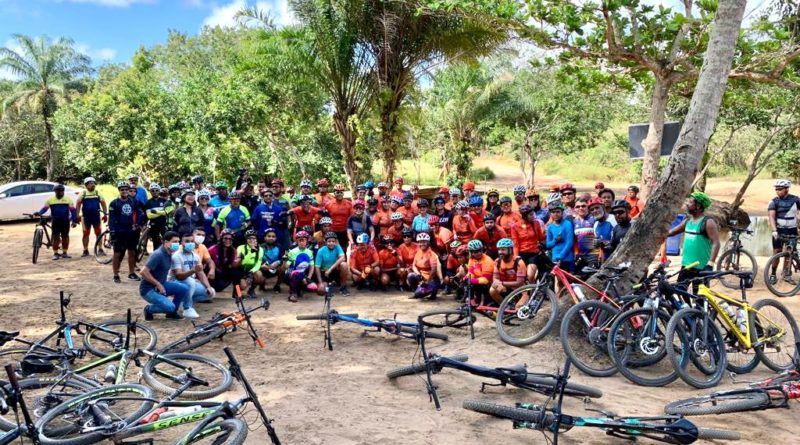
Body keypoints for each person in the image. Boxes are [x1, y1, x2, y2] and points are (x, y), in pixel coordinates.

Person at [667, 192, 720, 290]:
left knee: (700, 297)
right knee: (680, 291)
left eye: (690, 202)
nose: (687, 204)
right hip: (686, 266)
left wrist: (710, 264)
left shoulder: (708, 222)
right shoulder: (687, 221)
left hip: (701, 268)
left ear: (698, 206)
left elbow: (716, 243)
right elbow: (671, 232)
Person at [139, 231, 189, 320]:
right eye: (174, 242)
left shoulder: (169, 252)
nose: (177, 244)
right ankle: (149, 309)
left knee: (183, 288)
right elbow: (143, 272)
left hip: (162, 284)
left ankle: (172, 313)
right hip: (148, 289)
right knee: (170, 307)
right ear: (166, 242)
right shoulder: (158, 254)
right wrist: (158, 284)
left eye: (178, 241)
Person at [169, 232, 215, 319]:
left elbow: (201, 273)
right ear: (181, 243)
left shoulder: (196, 256)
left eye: (192, 241)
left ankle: (183, 301)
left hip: (189, 282)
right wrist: (193, 271)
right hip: (174, 282)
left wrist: (208, 287)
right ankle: (187, 308)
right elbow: (179, 276)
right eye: (187, 241)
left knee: (210, 292)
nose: (190, 243)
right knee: (190, 281)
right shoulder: (176, 256)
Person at [109, 181, 144, 283]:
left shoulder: (133, 201)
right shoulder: (114, 203)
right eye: (122, 189)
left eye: (126, 189)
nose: (124, 191)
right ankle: (115, 274)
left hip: (131, 230)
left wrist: (137, 224)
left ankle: (131, 273)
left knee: (132, 252)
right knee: (117, 253)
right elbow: (111, 218)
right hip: (119, 230)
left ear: (129, 191)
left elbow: (140, 213)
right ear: (119, 191)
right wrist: (112, 231)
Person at [768, 179, 800, 284]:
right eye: (776, 189)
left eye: (780, 189)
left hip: (792, 230)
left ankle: (786, 274)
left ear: (786, 189)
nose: (777, 191)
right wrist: (774, 230)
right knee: (777, 252)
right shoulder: (774, 201)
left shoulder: (796, 200)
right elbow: (771, 217)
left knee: (789, 253)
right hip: (779, 231)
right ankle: (773, 274)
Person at [34, 183, 78, 260]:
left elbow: (73, 211)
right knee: (56, 237)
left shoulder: (68, 199)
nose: (59, 192)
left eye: (61, 191)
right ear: (55, 192)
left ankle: (65, 252)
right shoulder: (50, 200)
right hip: (55, 221)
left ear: (63, 191)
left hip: (65, 221)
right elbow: (45, 208)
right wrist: (39, 213)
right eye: (57, 191)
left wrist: (74, 220)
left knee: (65, 236)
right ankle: (55, 253)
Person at [511, 205, 546, 283]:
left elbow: (541, 237)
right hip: (521, 254)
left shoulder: (536, 223)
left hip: (533, 254)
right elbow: (515, 243)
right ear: (524, 216)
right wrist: (516, 257)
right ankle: (530, 292)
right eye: (530, 214)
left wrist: (549, 234)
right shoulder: (515, 226)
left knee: (530, 276)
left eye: (533, 214)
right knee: (522, 278)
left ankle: (534, 290)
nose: (533, 216)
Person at [76, 177, 107, 257]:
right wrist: (77, 215)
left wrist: (105, 214)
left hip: (96, 216)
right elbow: (78, 204)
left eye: (93, 183)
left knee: (98, 233)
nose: (93, 185)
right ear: (86, 185)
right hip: (86, 217)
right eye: (90, 183)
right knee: (86, 234)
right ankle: (85, 250)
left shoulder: (97, 193)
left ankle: (100, 249)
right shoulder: (83, 193)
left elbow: (103, 203)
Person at [490, 238, 526, 304]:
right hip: (506, 287)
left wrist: (502, 283)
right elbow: (495, 278)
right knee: (492, 290)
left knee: (518, 307)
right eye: (499, 250)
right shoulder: (497, 261)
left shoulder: (519, 262)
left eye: (503, 249)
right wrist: (498, 283)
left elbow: (520, 283)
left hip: (520, 288)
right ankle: (505, 306)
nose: (500, 252)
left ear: (510, 250)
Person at [407, 233, 441, 300]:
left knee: (419, 294)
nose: (422, 244)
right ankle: (418, 290)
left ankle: (433, 291)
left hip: (432, 279)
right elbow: (414, 265)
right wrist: (418, 275)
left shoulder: (431, 254)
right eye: (420, 242)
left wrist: (427, 282)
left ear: (428, 242)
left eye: (424, 242)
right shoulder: (418, 252)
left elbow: (434, 270)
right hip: (422, 276)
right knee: (410, 275)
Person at [284, 230, 316, 302]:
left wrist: (308, 278)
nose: (301, 242)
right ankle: (292, 294)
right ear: (297, 241)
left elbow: (312, 266)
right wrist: (286, 259)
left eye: (303, 240)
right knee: (297, 274)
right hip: (290, 273)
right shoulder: (292, 252)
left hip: (303, 275)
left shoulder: (309, 252)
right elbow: (287, 267)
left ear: (307, 241)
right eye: (300, 240)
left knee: (314, 287)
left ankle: (299, 289)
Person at [315, 231, 350, 296]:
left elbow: (342, 258)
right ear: (325, 242)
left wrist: (330, 269)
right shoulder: (321, 251)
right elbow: (317, 267)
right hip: (324, 273)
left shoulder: (337, 246)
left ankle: (343, 287)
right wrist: (320, 282)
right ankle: (328, 284)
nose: (331, 243)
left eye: (333, 241)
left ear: (335, 242)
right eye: (329, 241)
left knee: (344, 264)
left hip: (334, 271)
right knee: (321, 291)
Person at [234, 230, 266, 298]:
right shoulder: (240, 248)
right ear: (246, 239)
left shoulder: (260, 249)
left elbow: (258, 263)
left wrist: (251, 272)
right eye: (249, 238)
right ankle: (236, 292)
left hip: (252, 270)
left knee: (259, 276)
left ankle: (251, 290)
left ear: (256, 239)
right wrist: (251, 250)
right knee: (243, 286)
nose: (251, 240)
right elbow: (243, 261)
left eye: (253, 238)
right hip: (241, 269)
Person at [546, 203, 575, 272]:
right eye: (553, 212)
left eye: (558, 212)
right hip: (555, 258)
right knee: (557, 281)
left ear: (562, 212)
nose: (556, 214)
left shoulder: (567, 223)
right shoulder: (550, 227)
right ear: (550, 214)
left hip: (567, 258)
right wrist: (555, 241)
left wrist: (561, 256)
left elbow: (570, 242)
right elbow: (548, 245)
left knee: (569, 280)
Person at [465, 240, 495, 306]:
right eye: (475, 252)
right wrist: (467, 278)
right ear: (471, 252)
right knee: (468, 283)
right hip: (479, 282)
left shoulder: (487, 260)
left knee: (472, 282)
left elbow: (486, 280)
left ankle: (484, 302)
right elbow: (470, 272)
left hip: (489, 284)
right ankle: (472, 301)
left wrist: (471, 280)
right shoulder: (471, 259)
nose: (478, 253)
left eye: (480, 250)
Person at [572, 198, 599, 271]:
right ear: (574, 209)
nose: (580, 208)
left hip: (593, 255)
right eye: (578, 207)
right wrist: (576, 253)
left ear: (588, 207)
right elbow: (574, 240)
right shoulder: (573, 222)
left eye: (583, 206)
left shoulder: (594, 219)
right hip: (580, 256)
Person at [325, 184, 354, 251]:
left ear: (343, 193)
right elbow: (325, 218)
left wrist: (351, 230)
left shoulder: (349, 204)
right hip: (332, 230)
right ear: (334, 193)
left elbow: (352, 218)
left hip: (344, 230)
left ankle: (344, 260)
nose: (339, 194)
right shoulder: (328, 204)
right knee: (333, 249)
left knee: (344, 249)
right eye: (337, 192)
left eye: (341, 192)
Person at [259, 228, 285, 293]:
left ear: (276, 238)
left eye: (273, 236)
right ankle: (261, 285)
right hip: (264, 269)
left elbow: (283, 259)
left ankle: (277, 286)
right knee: (259, 274)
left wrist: (278, 262)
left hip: (275, 268)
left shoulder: (279, 247)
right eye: (269, 236)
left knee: (283, 267)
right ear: (265, 238)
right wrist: (262, 265)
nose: (271, 238)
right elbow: (257, 260)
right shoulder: (260, 247)